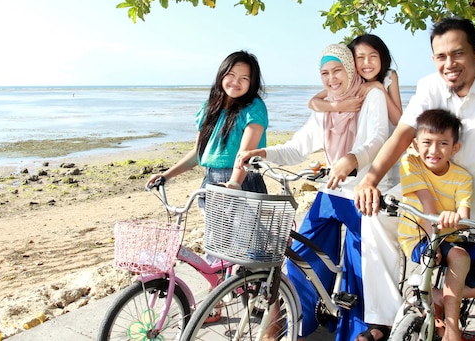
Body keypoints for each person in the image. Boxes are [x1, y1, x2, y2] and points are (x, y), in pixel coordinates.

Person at [354, 17, 475, 341]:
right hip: (436, 205)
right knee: (374, 217)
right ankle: (383, 320)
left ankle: (457, 300)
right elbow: (401, 136)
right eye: (441, 56)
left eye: (458, 54)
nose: (449, 64)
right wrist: (369, 180)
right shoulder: (429, 87)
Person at [237, 43, 400, 341]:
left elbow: (378, 138)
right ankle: (298, 322)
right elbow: (298, 146)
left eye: (338, 70)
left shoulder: (372, 95)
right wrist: (264, 152)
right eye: (325, 72)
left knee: (359, 262)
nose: (332, 78)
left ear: (350, 70)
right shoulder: (328, 106)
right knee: (301, 254)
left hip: (364, 191)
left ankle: (363, 331)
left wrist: (352, 159)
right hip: (333, 191)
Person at [399, 109, 475, 341]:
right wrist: (442, 221)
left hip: (452, 238)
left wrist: (457, 219)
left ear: (455, 148)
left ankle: (445, 295)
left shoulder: (462, 178)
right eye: (427, 142)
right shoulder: (410, 163)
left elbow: (463, 215)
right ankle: (452, 332)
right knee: (460, 257)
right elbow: (427, 206)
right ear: (415, 144)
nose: (434, 150)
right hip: (419, 236)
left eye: (443, 143)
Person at [146, 50, 268, 201]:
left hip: (244, 183)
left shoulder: (254, 108)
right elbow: (198, 153)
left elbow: (246, 154)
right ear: (221, 74)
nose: (236, 82)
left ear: (252, 83)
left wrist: (234, 183)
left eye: (244, 78)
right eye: (231, 74)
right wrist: (166, 175)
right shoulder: (208, 109)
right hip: (211, 182)